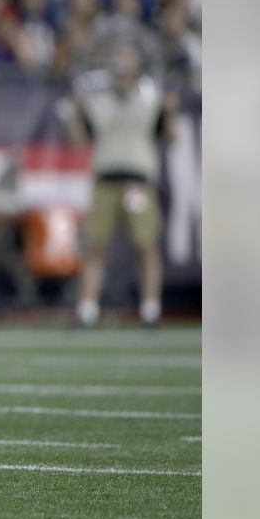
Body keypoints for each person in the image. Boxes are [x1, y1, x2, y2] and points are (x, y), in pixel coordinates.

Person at [63, 43, 176, 327]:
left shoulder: (151, 98)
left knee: (146, 244)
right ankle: (87, 310)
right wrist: (74, 113)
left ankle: (151, 309)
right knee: (94, 245)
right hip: (105, 179)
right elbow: (78, 140)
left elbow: (171, 137)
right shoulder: (98, 101)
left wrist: (170, 113)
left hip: (137, 180)